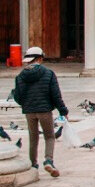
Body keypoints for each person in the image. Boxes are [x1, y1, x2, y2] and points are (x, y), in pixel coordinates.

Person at [11, 46, 68, 178]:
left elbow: (17, 96)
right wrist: (62, 110)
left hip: (29, 111)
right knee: (49, 136)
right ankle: (48, 160)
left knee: (33, 137)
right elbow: (56, 94)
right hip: (45, 110)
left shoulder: (20, 76)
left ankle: (33, 164)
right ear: (39, 59)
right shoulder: (48, 73)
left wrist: (26, 104)